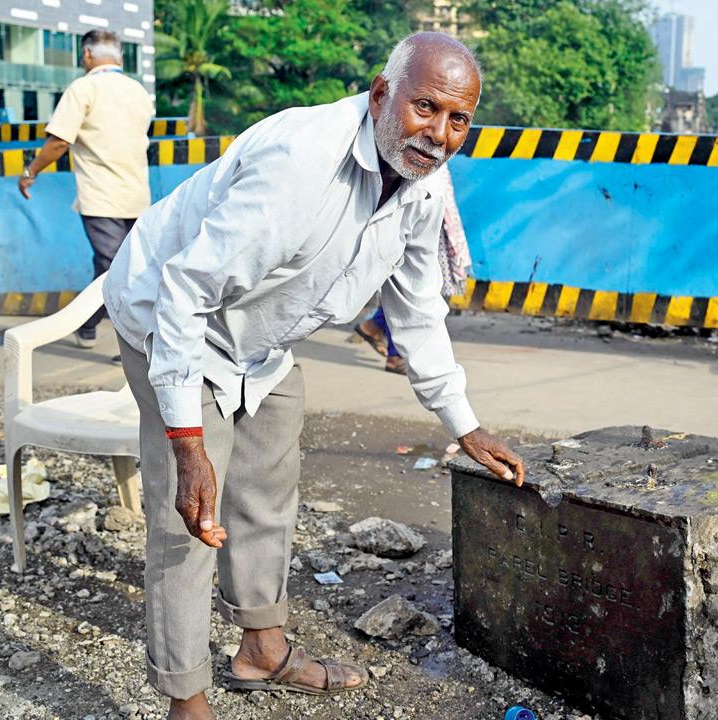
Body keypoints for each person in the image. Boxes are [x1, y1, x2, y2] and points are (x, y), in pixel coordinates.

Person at [102, 32, 525, 720]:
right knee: (191, 516)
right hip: (172, 317)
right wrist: (188, 442)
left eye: (458, 120)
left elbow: (416, 312)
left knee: (267, 490)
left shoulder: (423, 181)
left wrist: (465, 424)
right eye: (426, 108)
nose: (440, 133)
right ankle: (185, 698)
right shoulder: (301, 164)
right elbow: (185, 291)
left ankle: (261, 648)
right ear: (382, 94)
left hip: (263, 340)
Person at [18, 29, 155, 352]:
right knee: (118, 267)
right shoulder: (138, 92)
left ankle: (136, 344)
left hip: (101, 195)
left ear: (87, 55)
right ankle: (89, 327)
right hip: (136, 194)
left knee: (115, 271)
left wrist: (30, 171)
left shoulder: (83, 88)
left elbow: (59, 142)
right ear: (119, 56)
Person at [355, 168, 470, 373]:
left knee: (418, 290)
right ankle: (395, 354)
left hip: (434, 225)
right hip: (410, 225)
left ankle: (374, 327)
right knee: (407, 290)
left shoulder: (436, 162)